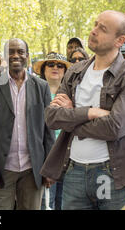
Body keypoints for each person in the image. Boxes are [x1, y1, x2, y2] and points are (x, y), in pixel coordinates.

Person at [41, 10, 125, 210]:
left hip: (113, 173)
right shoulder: (74, 71)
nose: (93, 31)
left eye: (102, 29)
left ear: (119, 40)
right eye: (95, 25)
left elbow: (116, 127)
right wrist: (90, 112)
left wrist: (72, 118)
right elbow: (52, 118)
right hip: (74, 171)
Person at [0, 39, 55, 210]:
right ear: (4, 57)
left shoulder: (41, 87)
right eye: (10, 52)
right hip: (1, 169)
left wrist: (50, 168)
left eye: (20, 51)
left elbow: (48, 130)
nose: (15, 55)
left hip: (33, 169)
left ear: (27, 56)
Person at [32, 52, 71, 210]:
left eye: (60, 65)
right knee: (45, 203)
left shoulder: (72, 94)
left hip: (68, 157)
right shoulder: (34, 93)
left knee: (64, 202)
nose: (55, 68)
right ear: (43, 70)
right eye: (51, 65)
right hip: (44, 158)